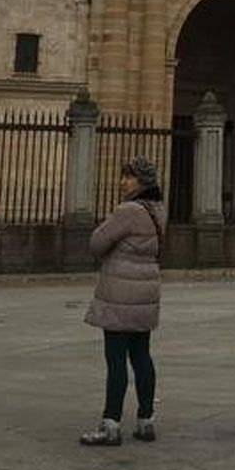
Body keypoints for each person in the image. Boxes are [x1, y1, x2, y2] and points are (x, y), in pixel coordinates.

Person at [80, 156, 167, 446]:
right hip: (146, 290)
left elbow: (96, 242)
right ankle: (146, 420)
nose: (122, 181)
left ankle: (110, 424)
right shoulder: (158, 209)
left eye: (128, 177)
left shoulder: (128, 210)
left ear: (141, 181)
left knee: (116, 358)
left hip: (120, 291)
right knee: (141, 356)